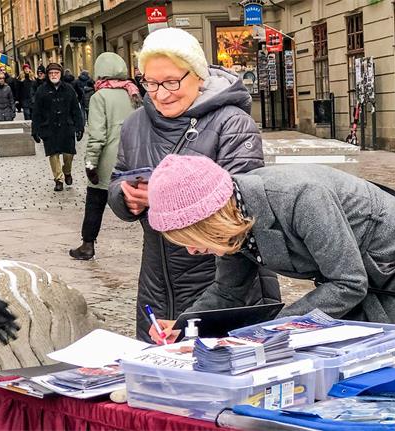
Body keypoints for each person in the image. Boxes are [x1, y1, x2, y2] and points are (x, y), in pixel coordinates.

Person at [146, 154, 395, 374]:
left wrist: (271, 330)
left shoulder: (299, 196)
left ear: (212, 219)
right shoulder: (234, 216)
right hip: (363, 281)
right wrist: (182, 325)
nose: (190, 250)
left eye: (191, 237)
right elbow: (228, 291)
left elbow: (347, 283)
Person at [108, 28, 279, 342]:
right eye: (151, 83)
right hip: (158, 279)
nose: (160, 93)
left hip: (221, 274)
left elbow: (242, 205)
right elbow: (118, 177)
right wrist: (125, 197)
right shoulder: (135, 124)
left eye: (171, 82)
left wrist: (163, 198)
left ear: (198, 76)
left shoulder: (232, 123)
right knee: (160, 367)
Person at [69, 53, 142, 260]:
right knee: (141, 203)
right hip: (133, 161)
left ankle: (87, 245)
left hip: (108, 163)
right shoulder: (133, 93)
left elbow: (97, 136)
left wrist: (90, 164)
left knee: (95, 203)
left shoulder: (99, 97)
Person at [32, 63, 84, 192]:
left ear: (60, 74)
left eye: (56, 73)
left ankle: (67, 171)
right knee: (53, 154)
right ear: (47, 75)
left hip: (67, 126)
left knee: (69, 154)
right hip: (49, 127)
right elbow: (36, 111)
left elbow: (75, 110)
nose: (53, 75)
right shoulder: (41, 90)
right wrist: (35, 130)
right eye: (51, 73)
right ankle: (58, 179)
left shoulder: (69, 89)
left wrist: (79, 127)